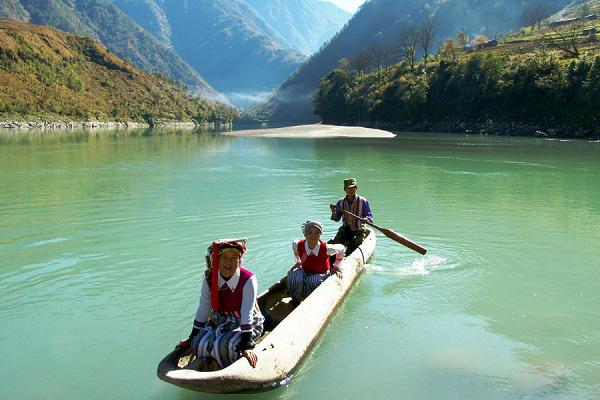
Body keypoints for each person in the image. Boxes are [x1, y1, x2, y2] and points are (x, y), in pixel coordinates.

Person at [176, 239, 264, 370]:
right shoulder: (210, 278)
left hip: (245, 322)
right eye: (224, 257)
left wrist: (246, 346)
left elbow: (247, 313)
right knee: (198, 343)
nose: (229, 262)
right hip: (221, 319)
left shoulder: (248, 280)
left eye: (234, 258)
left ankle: (228, 369)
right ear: (217, 259)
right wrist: (191, 338)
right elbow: (204, 308)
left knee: (222, 346)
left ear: (239, 261)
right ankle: (208, 365)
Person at [286, 221, 345, 303]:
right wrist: (298, 262)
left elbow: (341, 248)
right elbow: (294, 246)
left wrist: (336, 267)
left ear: (320, 234)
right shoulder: (298, 244)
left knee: (312, 280)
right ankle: (296, 297)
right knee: (293, 274)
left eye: (317, 233)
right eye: (310, 232)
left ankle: (312, 301)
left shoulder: (326, 248)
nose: (313, 235)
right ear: (305, 234)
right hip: (305, 270)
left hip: (321, 274)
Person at [329, 178, 373, 255]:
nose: (350, 190)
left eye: (352, 188)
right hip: (346, 228)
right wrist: (333, 210)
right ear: (345, 190)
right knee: (337, 241)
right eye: (348, 188)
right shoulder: (341, 202)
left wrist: (366, 219)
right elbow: (336, 219)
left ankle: (349, 253)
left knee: (356, 242)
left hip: (358, 229)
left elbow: (369, 216)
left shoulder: (363, 201)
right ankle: (335, 256)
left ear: (356, 188)